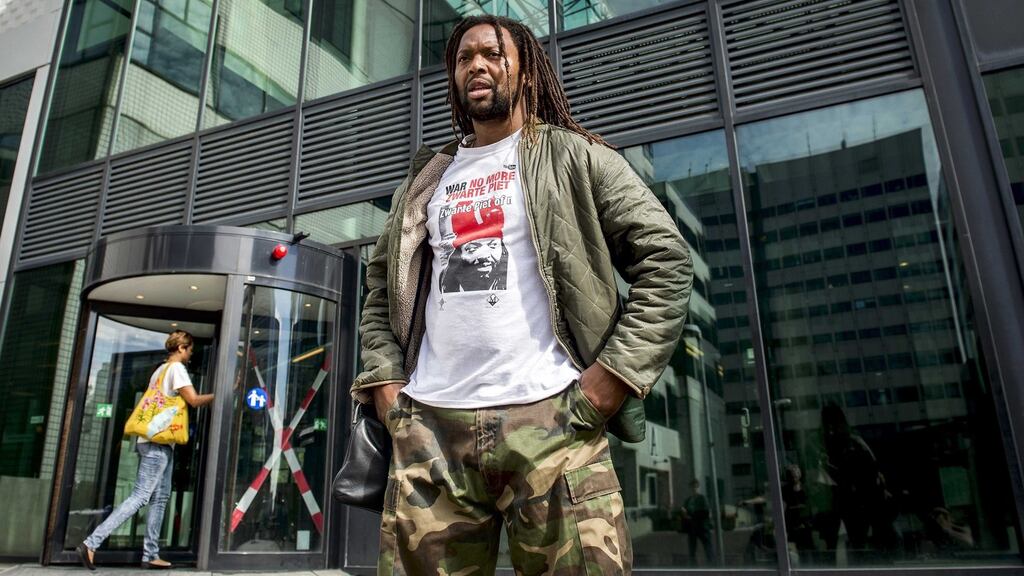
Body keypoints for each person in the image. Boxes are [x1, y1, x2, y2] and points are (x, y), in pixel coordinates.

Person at [350, 13, 692, 576]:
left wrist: (610, 382)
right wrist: (388, 389)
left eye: (492, 54)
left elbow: (667, 260)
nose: (476, 66)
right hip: (430, 429)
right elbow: (379, 288)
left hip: (554, 419)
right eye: (464, 58)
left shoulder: (578, 157)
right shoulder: (427, 178)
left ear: (527, 71)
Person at [77, 330, 214, 570]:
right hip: (158, 444)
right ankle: (91, 543)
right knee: (141, 496)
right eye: (190, 350)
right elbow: (193, 400)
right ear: (181, 348)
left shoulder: (159, 371)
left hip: (157, 442)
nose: (191, 354)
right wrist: (221, 394)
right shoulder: (176, 369)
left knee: (160, 497)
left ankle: (151, 554)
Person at [682, 479, 714, 565]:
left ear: (698, 487)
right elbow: (685, 512)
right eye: (692, 487)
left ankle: (712, 564)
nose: (694, 489)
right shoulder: (688, 500)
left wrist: (707, 521)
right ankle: (693, 566)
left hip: (702, 525)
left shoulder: (702, 498)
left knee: (707, 546)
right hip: (692, 526)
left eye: (695, 487)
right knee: (692, 548)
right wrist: (685, 513)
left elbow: (707, 511)